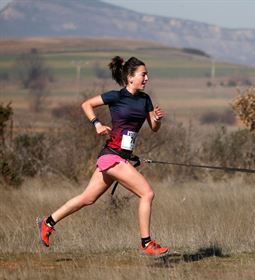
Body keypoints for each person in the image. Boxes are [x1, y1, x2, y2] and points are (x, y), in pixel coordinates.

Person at [36, 56, 169, 257]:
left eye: (147, 74)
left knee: (87, 198)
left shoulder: (145, 100)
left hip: (120, 158)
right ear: (131, 77)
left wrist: (157, 119)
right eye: (143, 74)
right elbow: (86, 104)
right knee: (147, 194)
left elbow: (154, 128)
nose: (147, 78)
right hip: (111, 156)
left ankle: (48, 222)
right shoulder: (116, 96)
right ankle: (146, 243)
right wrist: (96, 123)